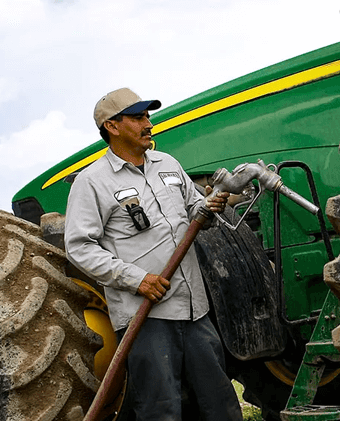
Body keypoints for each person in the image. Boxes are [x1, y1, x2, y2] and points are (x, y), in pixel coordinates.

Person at [64, 87, 242, 420]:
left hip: (194, 309)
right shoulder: (92, 182)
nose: (148, 123)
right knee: (161, 411)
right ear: (113, 127)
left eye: (147, 116)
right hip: (146, 317)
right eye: (138, 117)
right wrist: (137, 280)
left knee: (221, 405)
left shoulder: (168, 164)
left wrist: (209, 206)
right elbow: (80, 247)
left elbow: (192, 211)